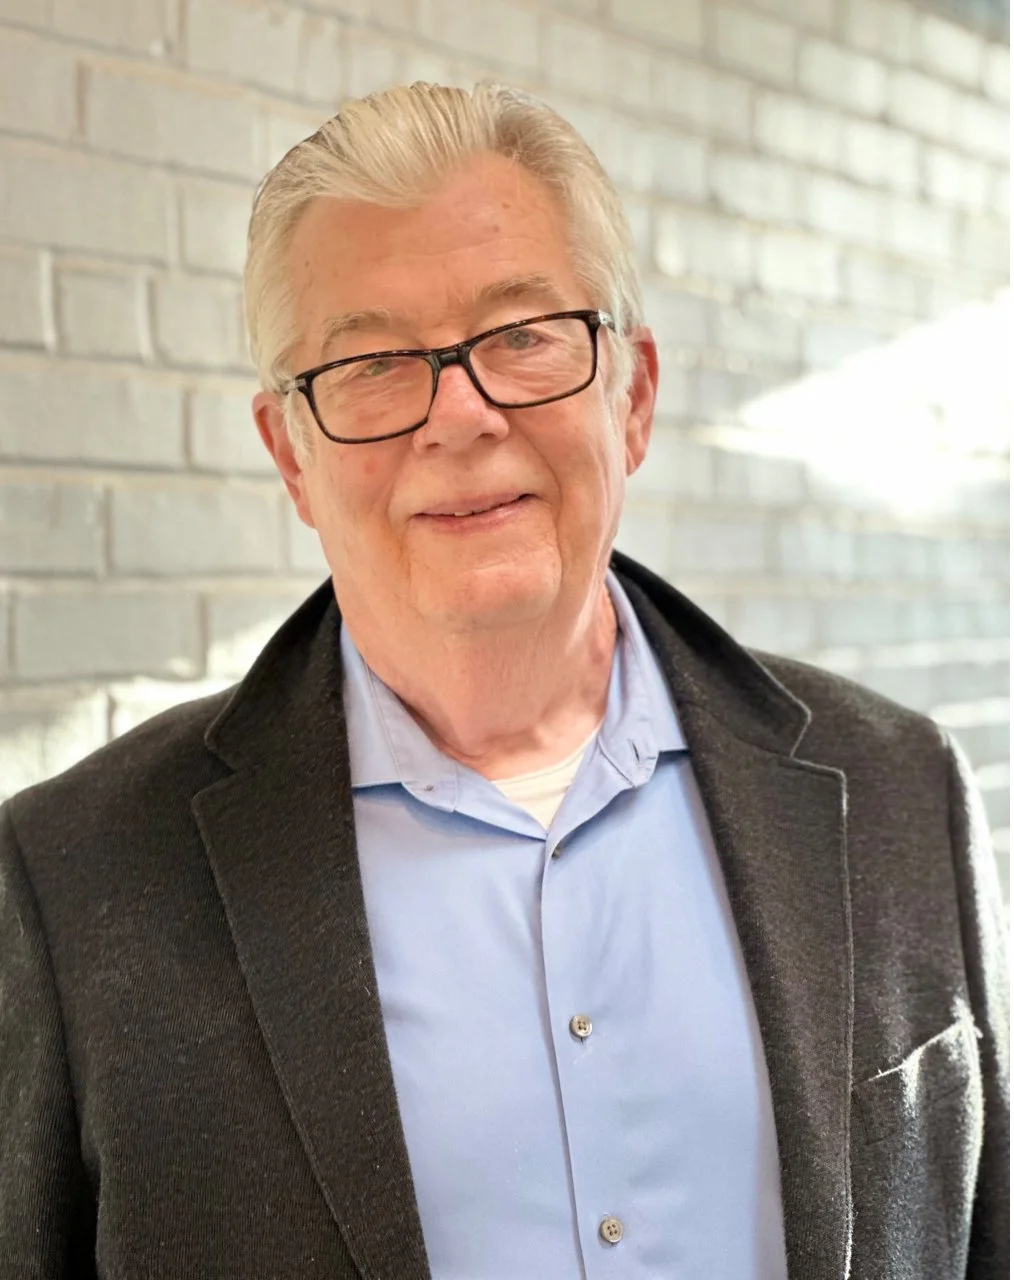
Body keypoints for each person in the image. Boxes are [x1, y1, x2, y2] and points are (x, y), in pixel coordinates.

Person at [0, 82, 1007, 1280]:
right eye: (372, 362)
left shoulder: (901, 791)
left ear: (630, 393)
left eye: (523, 335)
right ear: (291, 453)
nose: (461, 415)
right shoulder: (71, 880)